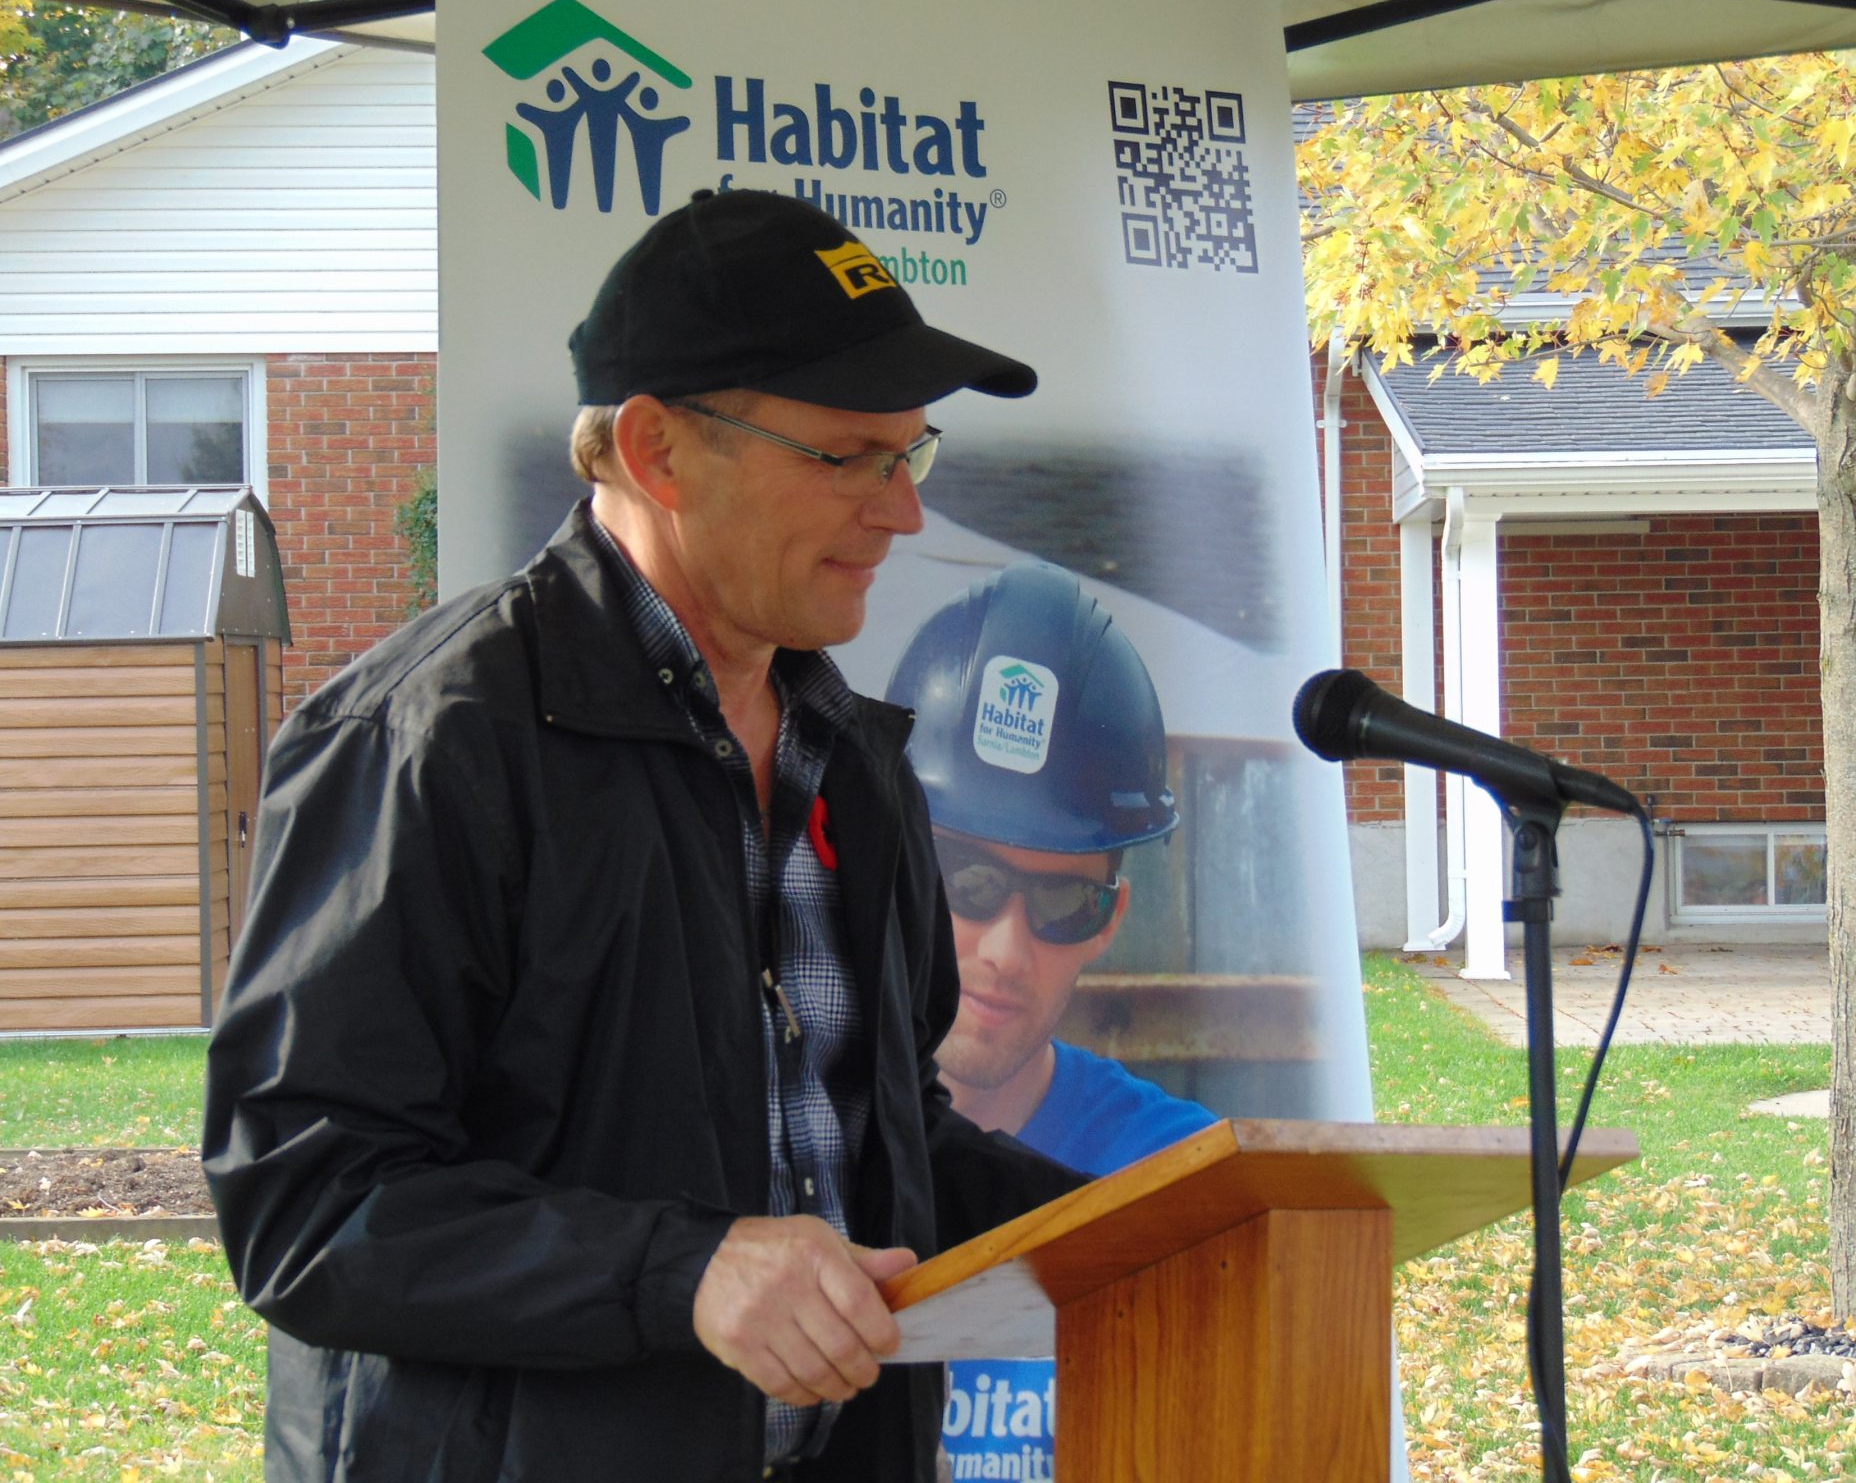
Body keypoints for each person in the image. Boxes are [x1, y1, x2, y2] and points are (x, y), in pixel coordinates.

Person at [202, 189, 1088, 1483]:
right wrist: (687, 1274)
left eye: (914, 457)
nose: (902, 515)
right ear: (658, 451)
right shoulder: (433, 741)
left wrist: (1147, 1227)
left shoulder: (859, 765)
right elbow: (307, 1202)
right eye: (851, 458)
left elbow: (866, 1136)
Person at [884, 562, 1217, 1480]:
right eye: (971, 884)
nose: (1004, 948)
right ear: (900, 869)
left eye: (1062, 902)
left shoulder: (1182, 1183)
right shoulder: (790, 1154)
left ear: (1109, 920)